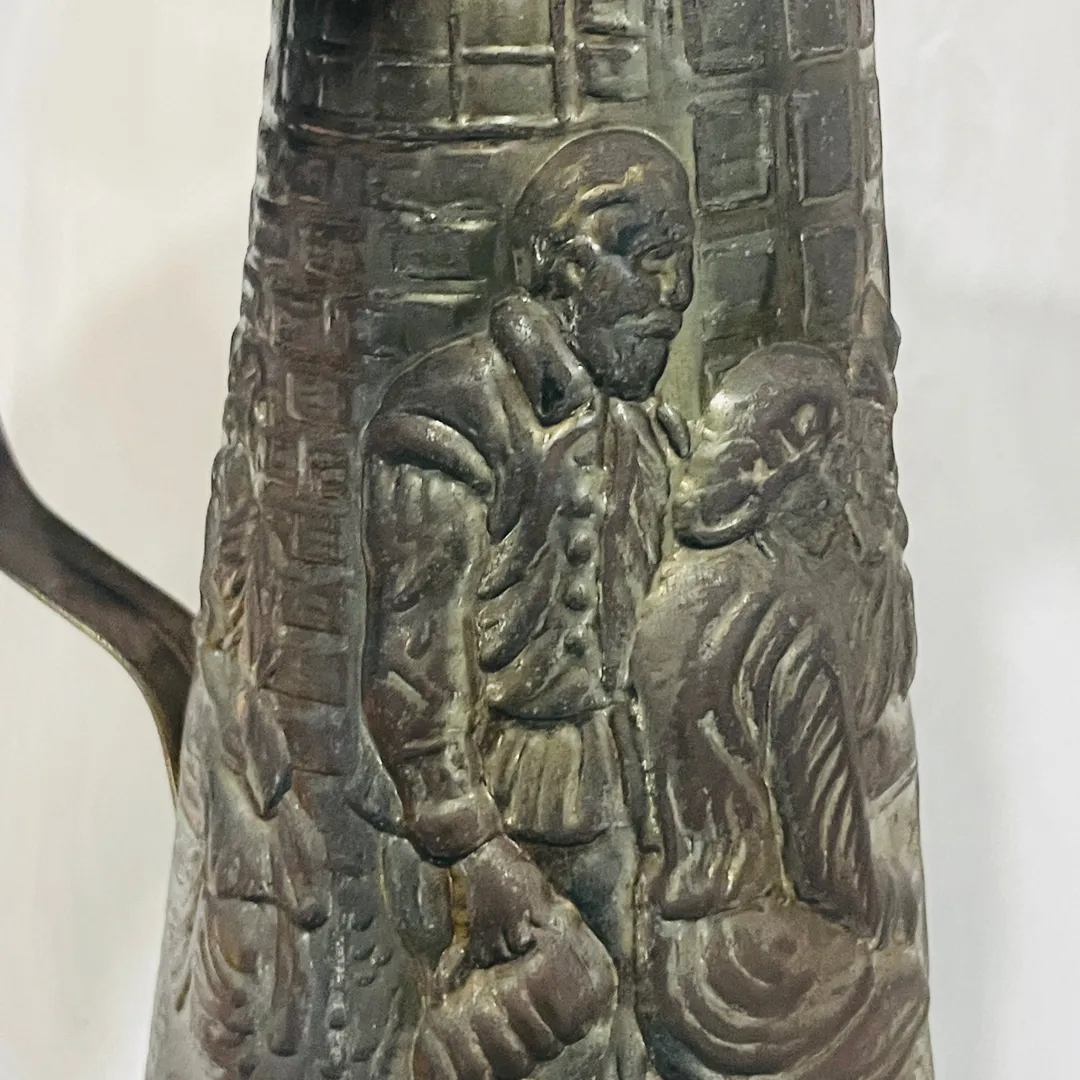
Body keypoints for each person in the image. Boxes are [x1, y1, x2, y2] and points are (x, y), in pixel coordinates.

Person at [361, 130, 695, 1080]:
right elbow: (411, 676)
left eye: (685, 261)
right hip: (499, 825)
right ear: (572, 268)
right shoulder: (450, 422)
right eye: (653, 257)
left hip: (630, 801)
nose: (678, 293)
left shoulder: (644, 418)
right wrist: (476, 855)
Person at [630, 341, 930, 1080]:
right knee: (898, 985)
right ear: (794, 475)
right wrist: (896, 901)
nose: (847, 487)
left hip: (659, 948)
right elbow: (835, 876)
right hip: (754, 960)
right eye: (837, 463)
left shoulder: (674, 592)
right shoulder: (788, 622)